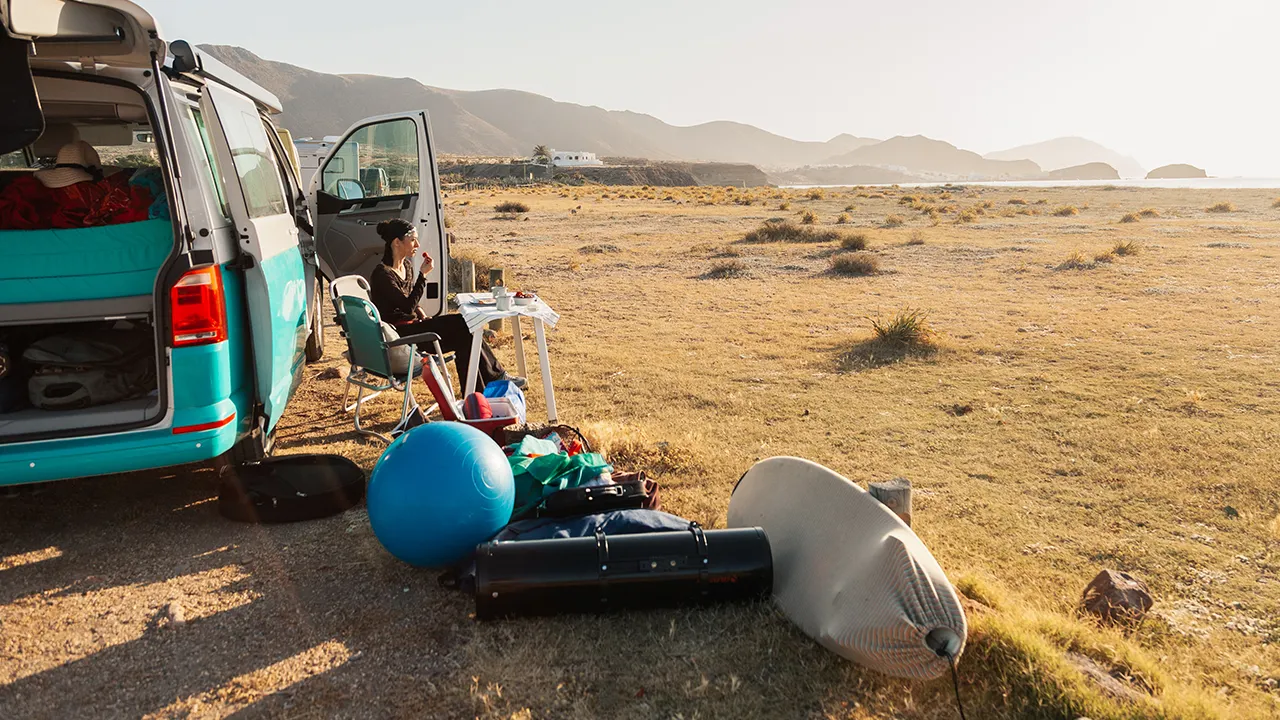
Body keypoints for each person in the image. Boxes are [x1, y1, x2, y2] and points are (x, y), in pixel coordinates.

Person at [367, 218, 525, 389]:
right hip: (400, 335)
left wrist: (421, 314)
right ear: (397, 242)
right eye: (412, 240)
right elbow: (406, 306)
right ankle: (497, 377)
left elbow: (409, 300)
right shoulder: (382, 274)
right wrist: (423, 276)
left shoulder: (406, 265)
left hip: (415, 326)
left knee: (465, 337)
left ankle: (475, 393)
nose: (417, 245)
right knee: (463, 322)